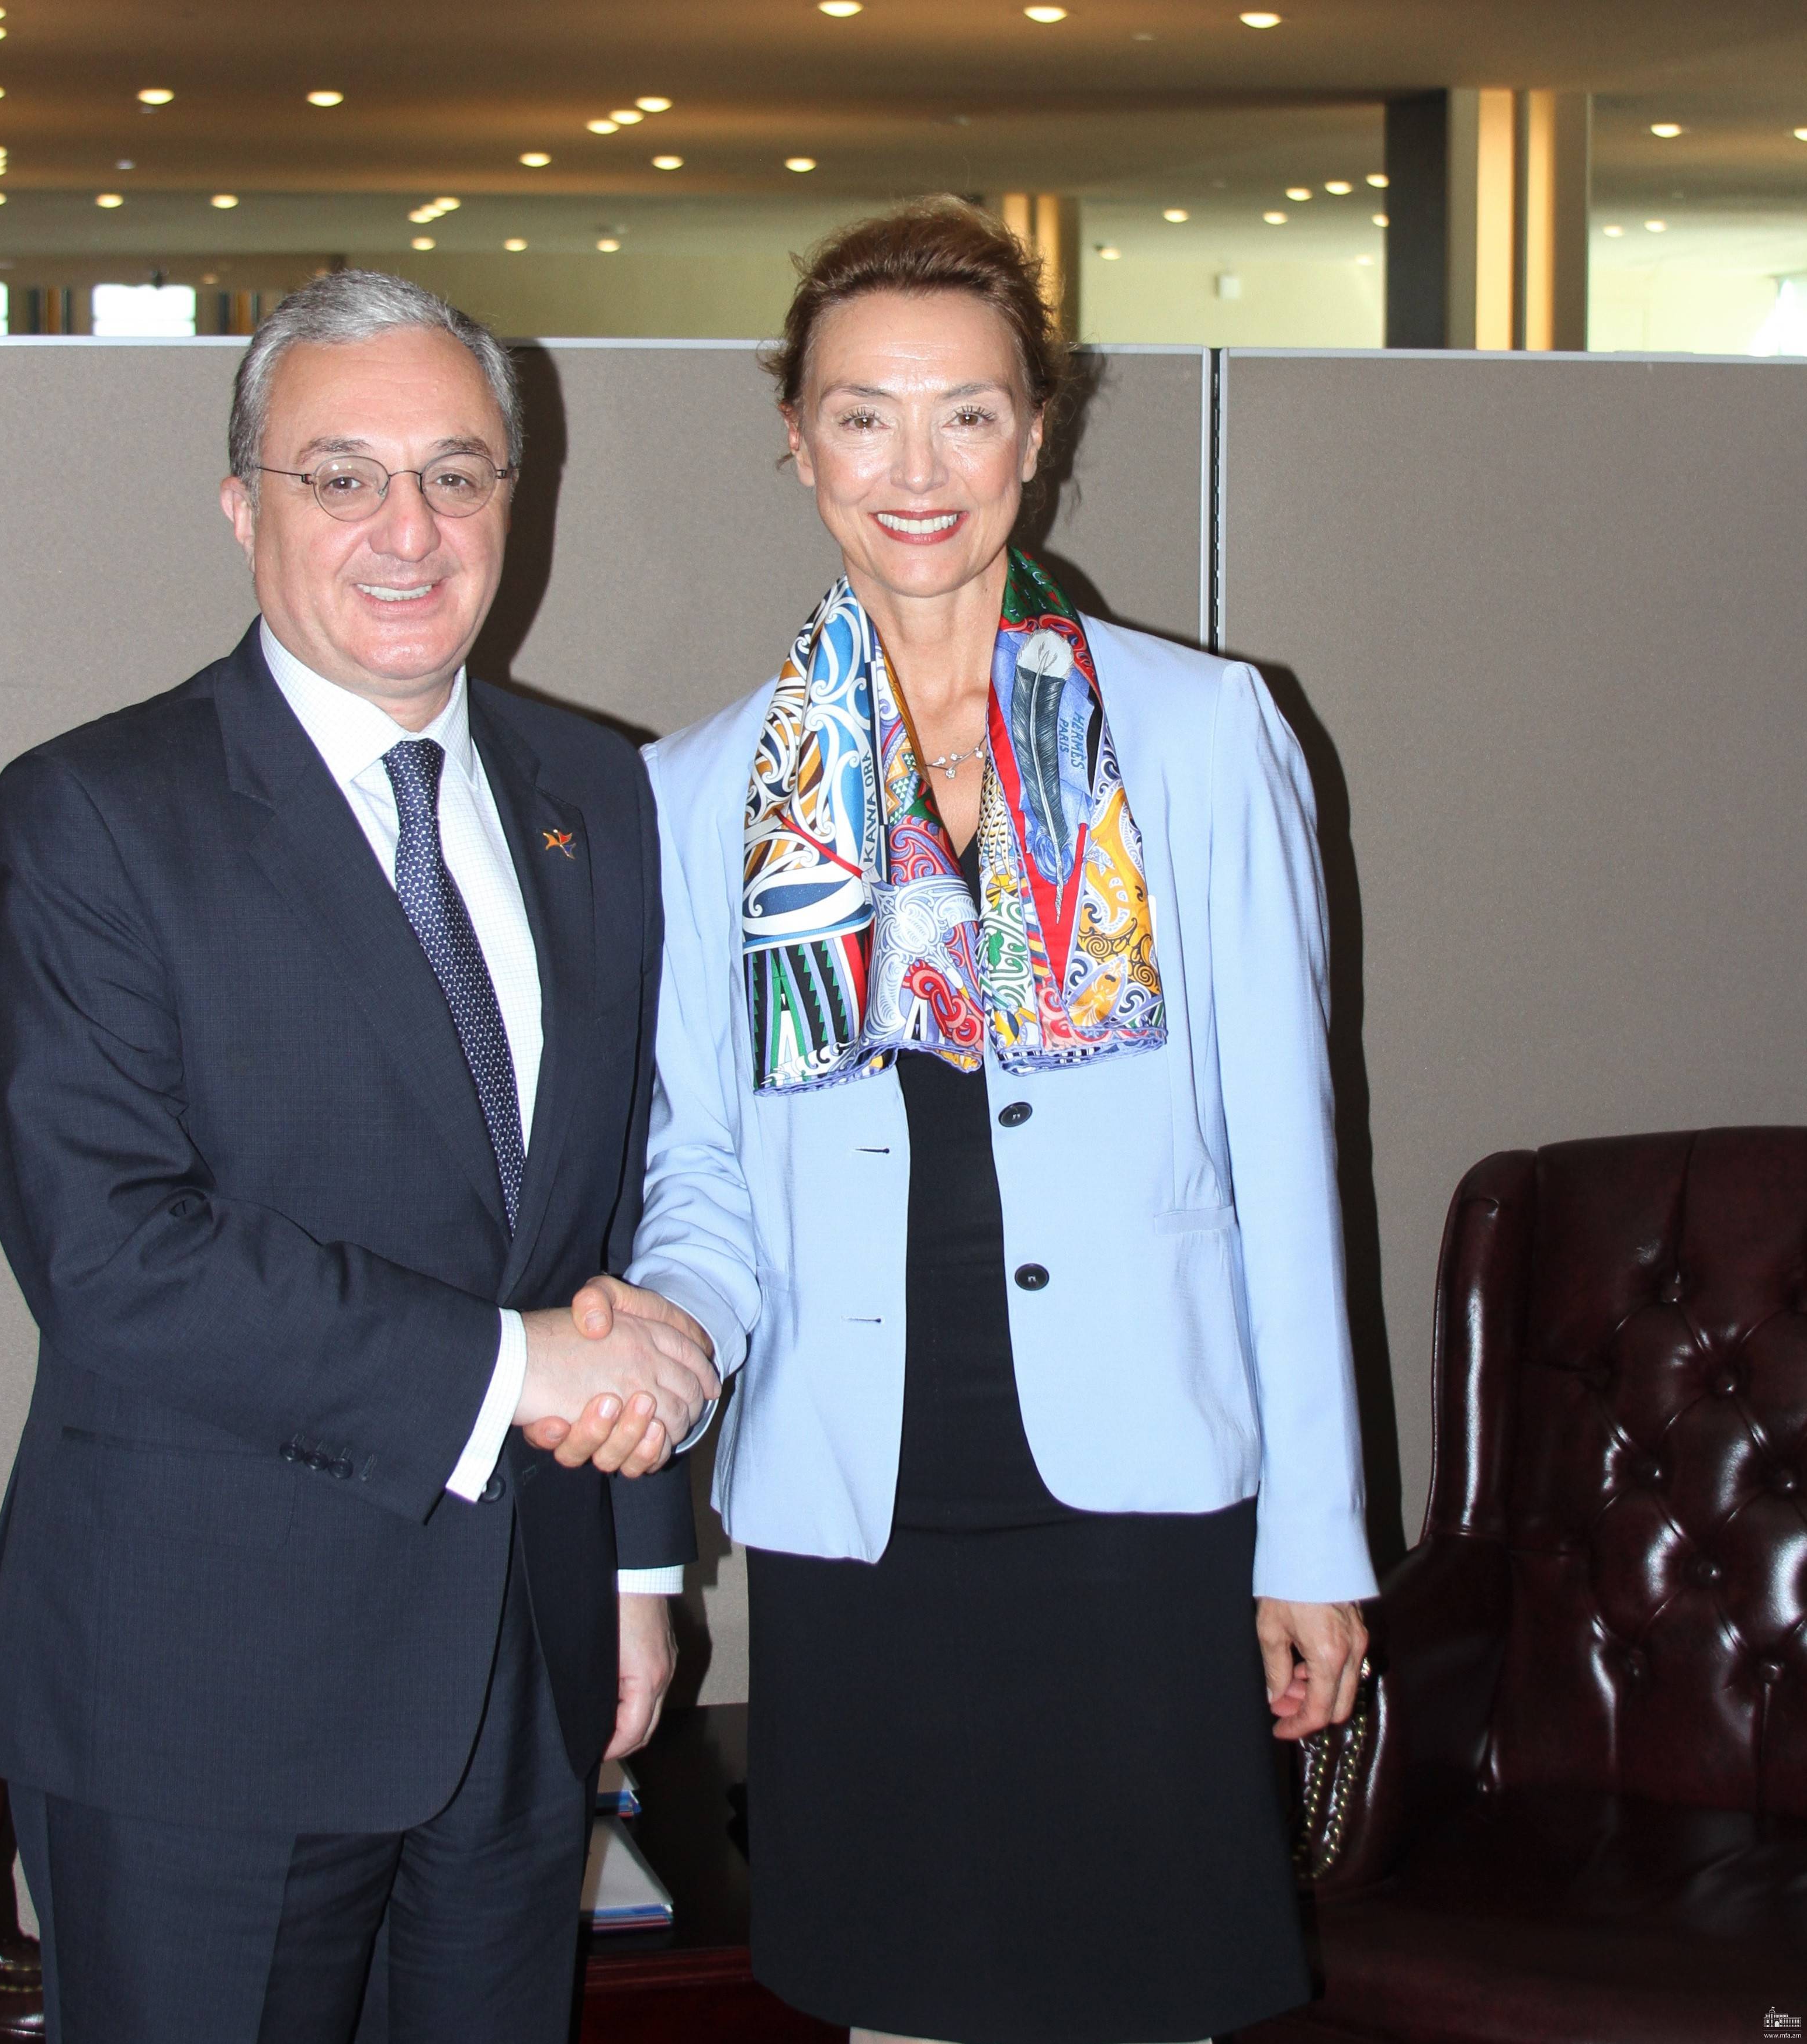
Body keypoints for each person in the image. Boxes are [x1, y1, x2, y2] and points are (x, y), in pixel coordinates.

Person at [604, 199, 1377, 2044]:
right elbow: (696, 1159)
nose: (918, 465)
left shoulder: (1200, 734)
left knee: (1147, 1994)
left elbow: (1288, 1145)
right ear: (796, 442)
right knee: (902, 2000)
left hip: (1137, 1495)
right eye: (865, 415)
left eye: (969, 412)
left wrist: (1317, 1539)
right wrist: (655, 1371)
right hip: (861, 1502)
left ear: (1039, 433)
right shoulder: (700, 790)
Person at [0, 269, 719, 2044]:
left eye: (457, 475)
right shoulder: (91, 816)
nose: (407, 528)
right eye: (342, 475)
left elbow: (616, 1196)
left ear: (512, 510)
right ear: (243, 508)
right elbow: (112, 1256)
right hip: (204, 1694)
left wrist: (634, 1563)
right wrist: (525, 1362)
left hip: (523, 1676)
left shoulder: (599, 798)